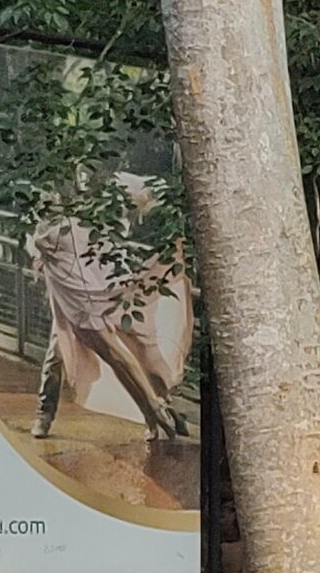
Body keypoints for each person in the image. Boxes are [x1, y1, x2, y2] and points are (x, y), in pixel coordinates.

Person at [26, 176, 196, 443]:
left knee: (141, 345)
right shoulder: (57, 228)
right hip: (74, 300)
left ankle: (162, 409)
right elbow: (40, 246)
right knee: (58, 353)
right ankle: (44, 413)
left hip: (106, 288)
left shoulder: (103, 205)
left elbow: (144, 195)